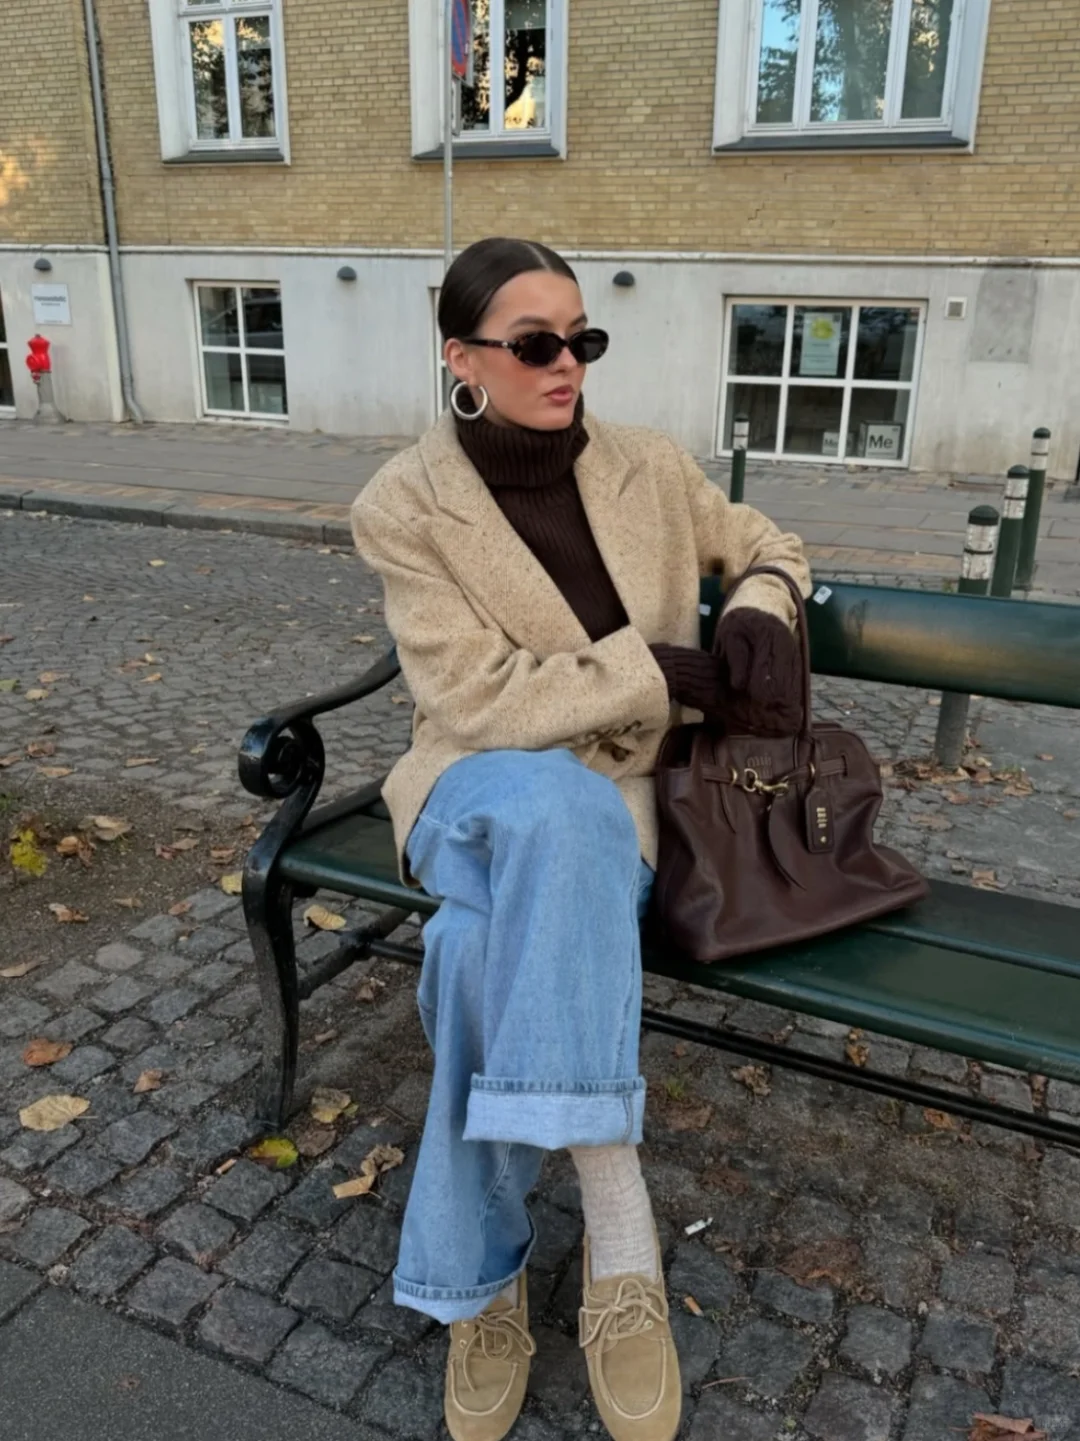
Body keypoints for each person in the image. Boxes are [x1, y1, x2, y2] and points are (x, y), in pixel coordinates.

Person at [351, 237, 809, 1441]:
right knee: (552, 809)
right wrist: (653, 670)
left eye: (583, 339)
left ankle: (481, 1288)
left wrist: (759, 604)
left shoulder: (648, 465)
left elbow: (770, 543)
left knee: (470, 947)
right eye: (535, 344)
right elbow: (472, 698)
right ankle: (622, 1239)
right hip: (471, 788)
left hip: (622, 813)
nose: (568, 364)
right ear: (461, 358)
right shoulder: (403, 505)